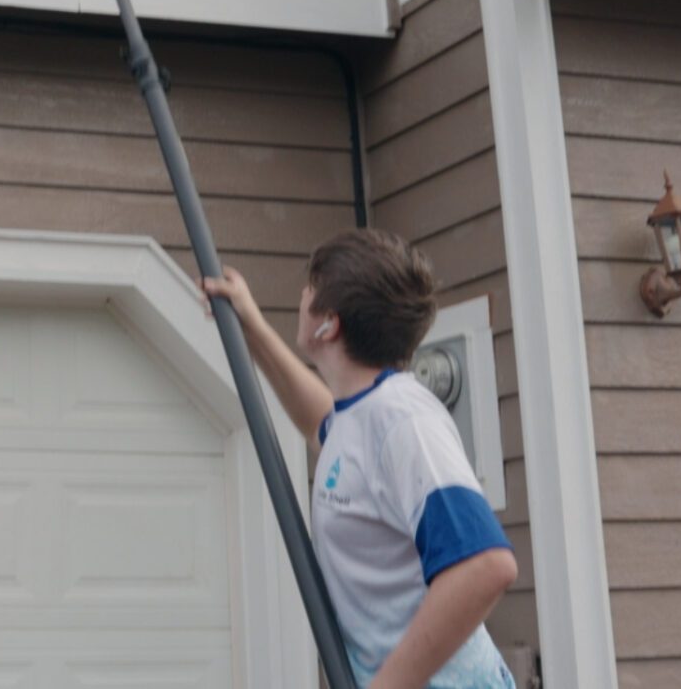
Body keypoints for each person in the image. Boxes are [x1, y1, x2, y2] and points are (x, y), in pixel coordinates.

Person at [203, 228, 518, 689]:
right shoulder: (362, 415)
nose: (302, 294)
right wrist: (253, 328)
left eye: (310, 287)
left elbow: (486, 566)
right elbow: (322, 424)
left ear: (328, 324)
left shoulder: (404, 421)